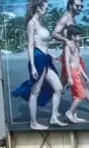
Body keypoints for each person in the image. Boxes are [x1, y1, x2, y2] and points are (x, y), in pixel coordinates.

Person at [11, 0, 66, 130]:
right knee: (35, 91)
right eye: (46, 8)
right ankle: (33, 122)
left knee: (58, 88)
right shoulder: (31, 24)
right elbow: (31, 45)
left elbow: (43, 43)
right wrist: (34, 66)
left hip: (45, 58)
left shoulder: (41, 23)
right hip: (37, 59)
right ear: (39, 9)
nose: (47, 10)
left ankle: (53, 118)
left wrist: (51, 54)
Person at [60, 26, 89, 122]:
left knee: (76, 95)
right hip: (73, 73)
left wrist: (84, 75)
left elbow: (78, 62)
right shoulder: (68, 46)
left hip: (78, 72)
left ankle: (74, 116)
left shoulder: (76, 45)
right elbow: (66, 62)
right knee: (81, 95)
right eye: (79, 36)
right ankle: (69, 112)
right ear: (72, 36)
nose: (80, 38)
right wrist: (69, 77)